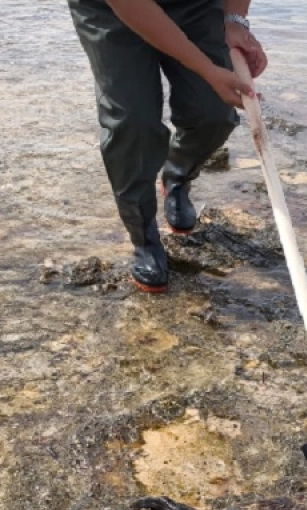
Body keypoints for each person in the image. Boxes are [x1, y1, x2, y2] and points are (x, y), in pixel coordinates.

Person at [69, 0, 267, 293]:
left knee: (213, 115)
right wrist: (208, 70)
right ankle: (143, 234)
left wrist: (235, 20)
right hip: (113, 12)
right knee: (132, 125)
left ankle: (177, 174)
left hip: (195, 6)